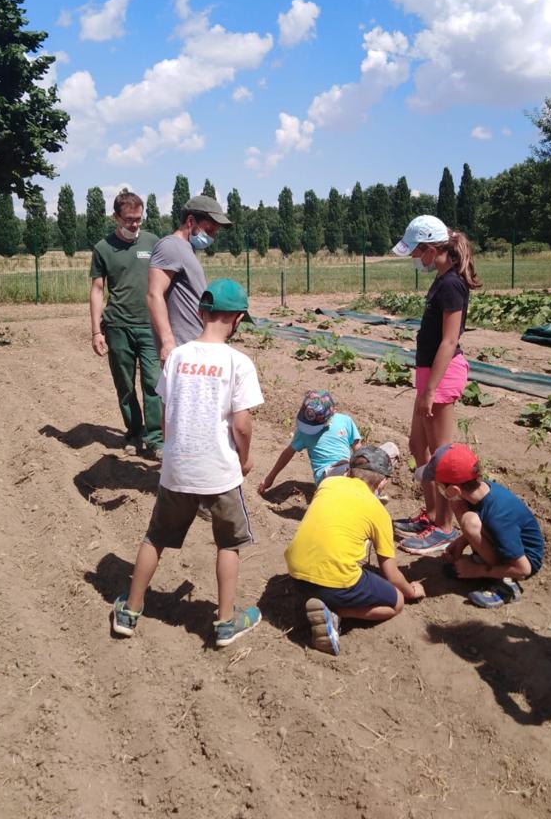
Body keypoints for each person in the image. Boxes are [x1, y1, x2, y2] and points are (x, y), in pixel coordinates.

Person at [111, 279, 265, 648]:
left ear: (200, 312)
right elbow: (242, 425)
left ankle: (130, 610)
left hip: (178, 469)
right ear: (238, 318)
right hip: (219, 472)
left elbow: (165, 414)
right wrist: (245, 459)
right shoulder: (238, 363)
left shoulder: (177, 356)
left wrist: (173, 447)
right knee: (228, 544)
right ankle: (226, 622)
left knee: (156, 537)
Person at [390, 215, 481, 555]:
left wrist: (430, 391)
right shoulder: (441, 280)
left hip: (441, 375)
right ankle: (431, 515)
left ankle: (444, 528)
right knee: (418, 445)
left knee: (442, 458)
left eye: (416, 253)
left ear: (430, 250)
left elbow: (448, 341)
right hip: (429, 373)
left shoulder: (452, 285)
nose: (415, 259)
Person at [284, 446, 425, 655]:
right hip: (335, 583)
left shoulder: (328, 484)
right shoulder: (378, 512)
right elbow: (391, 574)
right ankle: (336, 611)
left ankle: (317, 600)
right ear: (383, 482)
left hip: (296, 575)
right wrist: (412, 591)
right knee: (397, 601)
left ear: (349, 471)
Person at [420, 443, 545, 608]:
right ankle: (485, 564)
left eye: (439, 485)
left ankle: (506, 585)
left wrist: (475, 570)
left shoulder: (499, 515)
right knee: (463, 512)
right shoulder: (479, 491)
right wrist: (463, 540)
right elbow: (486, 523)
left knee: (469, 521)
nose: (439, 489)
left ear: (455, 490)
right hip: (505, 544)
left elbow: (524, 569)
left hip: (522, 561)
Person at [90, 191, 163, 459]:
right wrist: (97, 331)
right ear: (116, 217)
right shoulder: (103, 248)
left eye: (138, 219)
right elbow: (98, 289)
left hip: (149, 325)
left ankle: (156, 439)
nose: (134, 225)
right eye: (129, 219)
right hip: (117, 326)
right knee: (125, 385)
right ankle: (134, 434)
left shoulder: (153, 243)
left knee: (154, 383)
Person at [147, 194, 232, 366]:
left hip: (194, 346)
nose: (212, 236)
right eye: (209, 230)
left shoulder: (186, 249)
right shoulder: (170, 246)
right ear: (191, 221)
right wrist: (167, 341)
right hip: (181, 349)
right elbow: (154, 294)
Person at [257, 390, 361, 495]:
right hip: (326, 474)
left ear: (333, 412)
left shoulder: (345, 421)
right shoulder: (304, 433)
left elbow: (358, 448)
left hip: (348, 468)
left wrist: (363, 464)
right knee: (345, 471)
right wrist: (270, 478)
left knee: (368, 467)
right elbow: (288, 454)